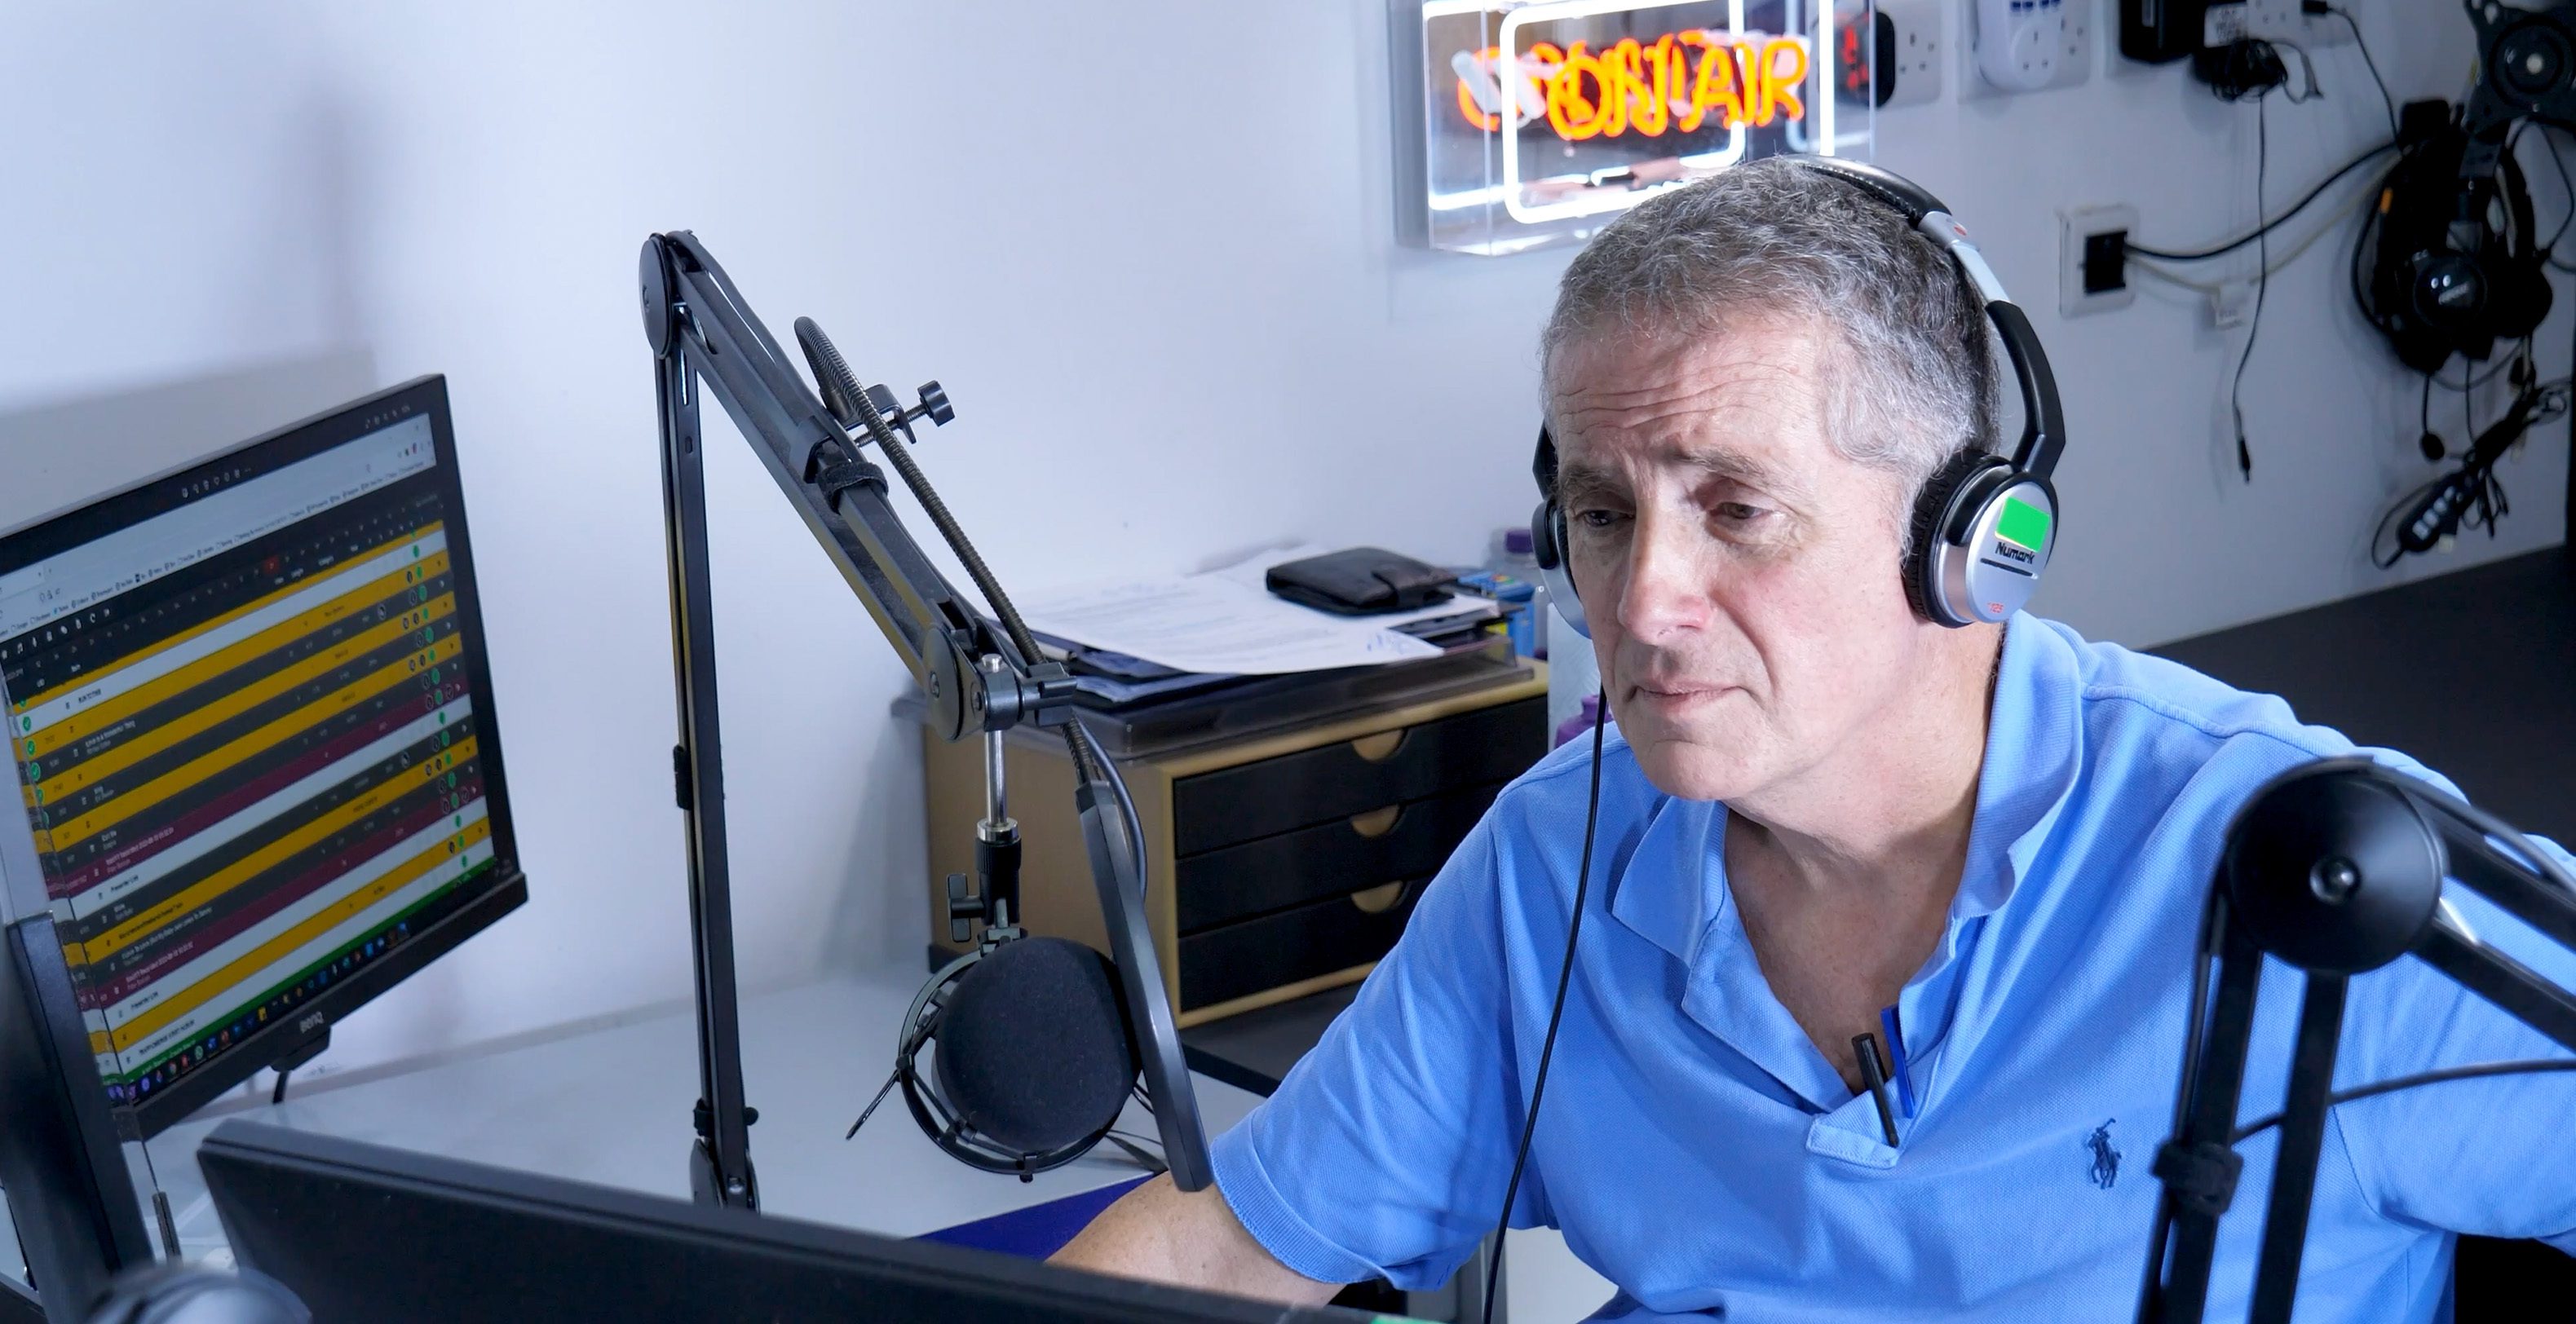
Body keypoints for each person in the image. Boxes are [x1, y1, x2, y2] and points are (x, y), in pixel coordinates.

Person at [1053, 157, 2576, 1321]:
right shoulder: (1556, 863)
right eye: (1600, 514)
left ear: (1974, 543)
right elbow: (1233, 1243)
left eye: (1738, 510)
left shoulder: (2318, 879)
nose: (1643, 602)